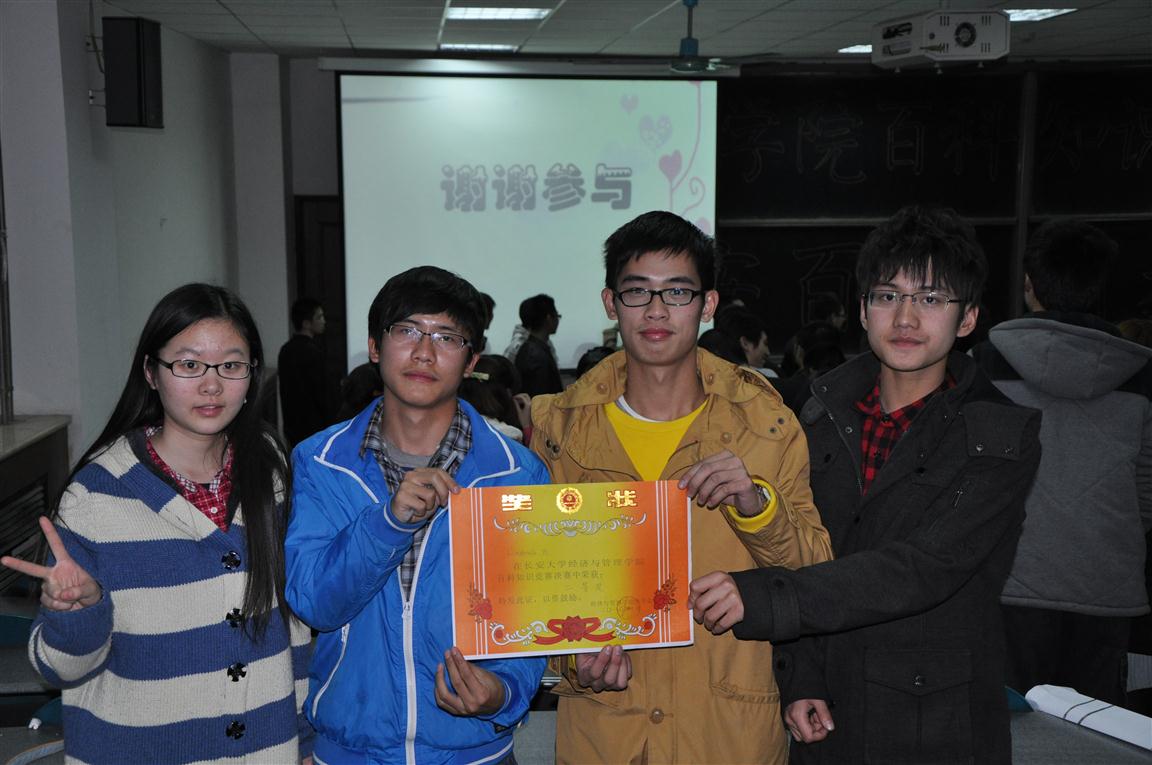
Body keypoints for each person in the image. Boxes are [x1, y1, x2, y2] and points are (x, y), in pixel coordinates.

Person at [689, 205, 1043, 764]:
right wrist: (802, 675)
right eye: (887, 296)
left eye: (931, 299)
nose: (905, 317)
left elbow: (924, 567)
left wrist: (759, 598)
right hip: (831, 709)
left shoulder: (998, 434)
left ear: (968, 318)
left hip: (936, 719)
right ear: (862, 309)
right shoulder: (817, 413)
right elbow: (810, 552)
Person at [530, 211, 831, 765]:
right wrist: (574, 662)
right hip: (608, 736)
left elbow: (816, 575)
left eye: (677, 292)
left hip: (727, 735)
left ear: (707, 304)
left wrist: (757, 506)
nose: (656, 310)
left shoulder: (766, 424)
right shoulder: (559, 430)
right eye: (637, 292)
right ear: (610, 303)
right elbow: (533, 588)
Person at [0, 283, 312, 763]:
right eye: (188, 365)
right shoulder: (96, 497)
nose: (211, 385)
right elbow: (57, 669)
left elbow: (291, 625)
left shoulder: (269, 469)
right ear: (151, 372)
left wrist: (305, 738)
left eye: (231, 366)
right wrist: (77, 614)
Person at [284, 266, 550, 764]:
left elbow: (530, 615)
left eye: (447, 337)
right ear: (374, 346)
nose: (425, 352)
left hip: (474, 753)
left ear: (471, 361)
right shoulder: (320, 461)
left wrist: (503, 691)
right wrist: (388, 523)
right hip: (352, 750)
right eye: (407, 330)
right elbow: (315, 603)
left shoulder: (517, 472)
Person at [972, 219, 1152, 706]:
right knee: (1094, 732)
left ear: (1029, 286)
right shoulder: (1139, 374)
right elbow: (1146, 490)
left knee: (1008, 728)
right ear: (1099, 287)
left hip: (1009, 581)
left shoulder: (986, 364)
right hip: (1107, 588)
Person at [278, 297, 337, 446]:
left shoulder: (285, 350)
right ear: (306, 323)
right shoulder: (312, 352)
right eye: (319, 317)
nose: (324, 321)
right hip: (314, 427)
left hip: (293, 426)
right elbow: (323, 394)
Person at [512, 294, 564, 396]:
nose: (558, 320)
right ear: (549, 318)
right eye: (557, 316)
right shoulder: (536, 355)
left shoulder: (530, 348)